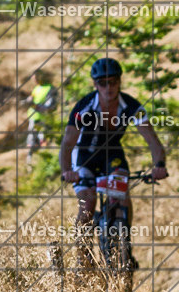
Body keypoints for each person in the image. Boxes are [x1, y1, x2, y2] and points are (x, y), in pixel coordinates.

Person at [59, 57, 169, 269]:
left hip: (112, 155)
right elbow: (67, 143)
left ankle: (125, 247)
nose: (109, 87)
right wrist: (67, 171)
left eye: (113, 81)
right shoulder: (84, 107)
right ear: (95, 84)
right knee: (88, 203)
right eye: (103, 83)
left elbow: (152, 140)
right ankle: (83, 255)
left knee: (121, 195)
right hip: (85, 157)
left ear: (119, 81)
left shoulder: (131, 106)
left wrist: (159, 165)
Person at [24, 70, 57, 165]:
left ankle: (44, 164)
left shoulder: (50, 89)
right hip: (33, 119)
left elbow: (51, 107)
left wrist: (36, 106)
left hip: (44, 120)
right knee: (31, 142)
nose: (34, 80)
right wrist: (28, 101)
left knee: (44, 142)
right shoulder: (36, 88)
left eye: (35, 78)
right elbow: (32, 98)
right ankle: (29, 164)